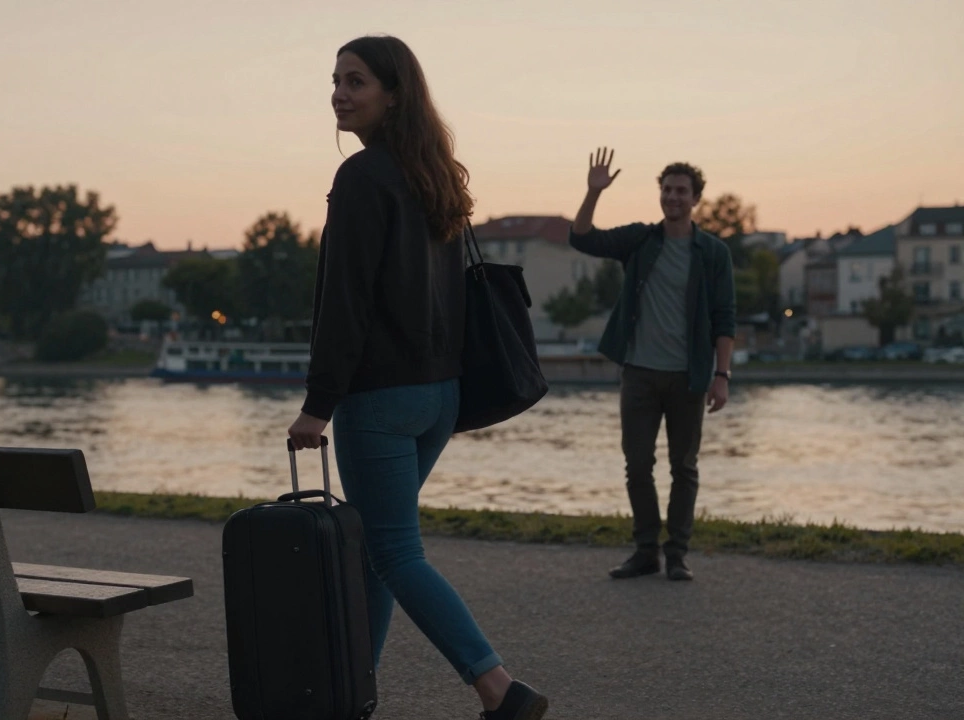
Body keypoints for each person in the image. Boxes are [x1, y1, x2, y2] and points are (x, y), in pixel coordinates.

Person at [286, 35, 549, 720]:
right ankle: (353, 693)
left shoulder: (364, 177)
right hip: (440, 395)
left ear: (393, 93)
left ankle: (500, 690)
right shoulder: (436, 178)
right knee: (378, 547)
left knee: (397, 553)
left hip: (381, 398)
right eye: (336, 81)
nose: (340, 93)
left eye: (357, 81)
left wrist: (319, 405)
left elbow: (345, 300)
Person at [567, 148, 737, 582]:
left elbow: (725, 318)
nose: (673, 197)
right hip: (639, 373)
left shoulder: (712, 253)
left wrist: (722, 376)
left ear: (696, 198)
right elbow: (582, 238)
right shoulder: (641, 240)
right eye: (666, 190)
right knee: (638, 464)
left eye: (682, 191)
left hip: (689, 377)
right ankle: (646, 551)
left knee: (685, 466)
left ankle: (677, 553)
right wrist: (593, 192)